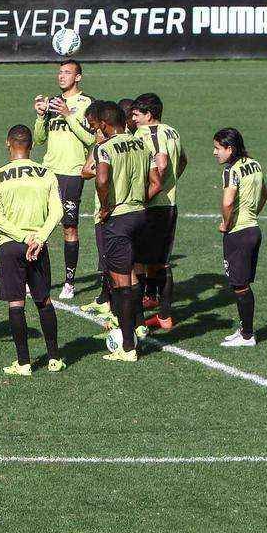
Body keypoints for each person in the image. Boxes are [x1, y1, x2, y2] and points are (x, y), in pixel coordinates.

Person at [0, 125, 65, 376]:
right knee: (44, 300)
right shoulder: (46, 174)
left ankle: (23, 363)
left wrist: (21, 237)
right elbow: (58, 211)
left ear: (8, 143)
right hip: (38, 245)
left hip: (11, 245)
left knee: (16, 303)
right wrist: (38, 237)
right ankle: (54, 358)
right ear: (31, 146)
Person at [93, 102, 159, 363]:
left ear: (105, 124)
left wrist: (107, 206)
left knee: (120, 280)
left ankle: (128, 346)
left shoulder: (105, 148)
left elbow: (101, 179)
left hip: (118, 219)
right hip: (141, 215)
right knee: (132, 276)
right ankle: (134, 332)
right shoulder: (144, 145)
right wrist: (139, 200)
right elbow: (156, 181)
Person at [32, 59, 95, 300]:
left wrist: (68, 115)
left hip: (71, 172)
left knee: (69, 226)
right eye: (60, 72)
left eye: (67, 73)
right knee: (40, 225)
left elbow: (90, 138)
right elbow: (38, 139)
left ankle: (69, 282)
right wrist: (40, 116)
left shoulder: (85, 103)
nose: (61, 76)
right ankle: (36, 278)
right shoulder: (52, 103)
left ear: (78, 77)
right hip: (48, 171)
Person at [132, 93, 187, 331]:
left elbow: (161, 164)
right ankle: (163, 315)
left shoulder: (148, 133)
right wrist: (170, 186)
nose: (133, 118)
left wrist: (151, 192)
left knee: (139, 263)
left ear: (148, 115)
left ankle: (137, 317)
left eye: (136, 114)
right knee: (159, 261)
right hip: (170, 205)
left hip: (154, 207)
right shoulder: (172, 131)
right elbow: (183, 160)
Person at [214, 128, 267, 347]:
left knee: (240, 285)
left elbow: (227, 202)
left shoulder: (231, 171)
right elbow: (264, 194)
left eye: (218, 148)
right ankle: (244, 330)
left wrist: (226, 223)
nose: (214, 152)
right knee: (241, 283)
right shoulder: (255, 165)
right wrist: (252, 215)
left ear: (230, 148)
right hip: (253, 229)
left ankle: (247, 336)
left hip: (238, 233)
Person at [78, 101, 115, 325]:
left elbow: (92, 172)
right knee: (105, 259)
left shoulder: (109, 147)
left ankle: (115, 307)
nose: (92, 130)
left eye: (93, 125)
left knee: (114, 262)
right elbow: (85, 171)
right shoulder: (99, 145)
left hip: (110, 210)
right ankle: (104, 299)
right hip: (100, 209)